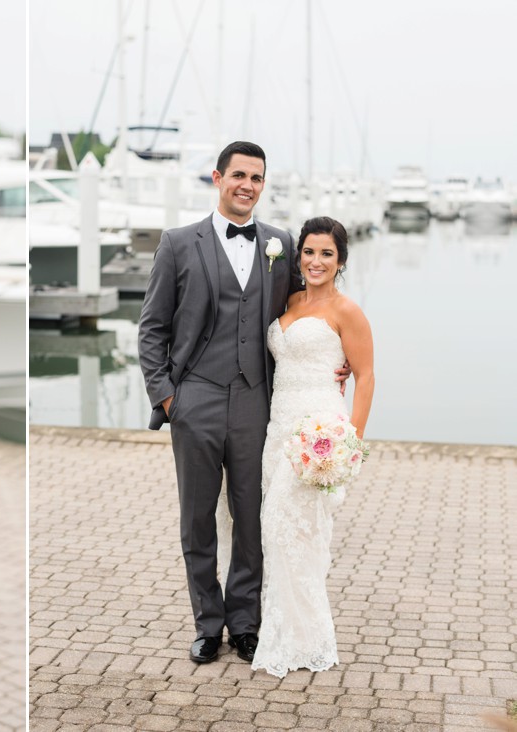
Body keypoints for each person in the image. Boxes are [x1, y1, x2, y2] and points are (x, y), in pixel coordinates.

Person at [138, 141, 347, 665]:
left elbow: (309, 306)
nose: (247, 185)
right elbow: (152, 327)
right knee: (198, 518)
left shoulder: (279, 243)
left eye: (256, 177)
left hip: (258, 401)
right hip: (195, 398)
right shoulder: (179, 243)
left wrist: (335, 358)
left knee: (252, 514)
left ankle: (246, 622)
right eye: (238, 175)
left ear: (262, 184)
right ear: (218, 178)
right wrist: (166, 396)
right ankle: (208, 624)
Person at [251, 216, 374, 677]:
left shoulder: (347, 311)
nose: (316, 261)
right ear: (298, 255)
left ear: (340, 259)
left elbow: (366, 378)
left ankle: (307, 641)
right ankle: (283, 632)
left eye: (327, 253)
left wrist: (348, 445)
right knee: (277, 531)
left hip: (319, 432)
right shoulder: (288, 300)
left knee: (290, 526)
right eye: (309, 251)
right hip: (277, 428)